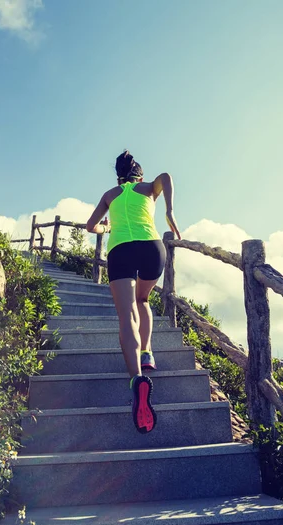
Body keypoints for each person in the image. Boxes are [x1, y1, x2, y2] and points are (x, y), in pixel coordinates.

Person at [86, 150, 182, 433]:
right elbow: (166, 176)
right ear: (139, 174)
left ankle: (136, 379)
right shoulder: (148, 188)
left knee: (126, 313)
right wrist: (169, 211)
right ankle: (148, 352)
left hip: (120, 250)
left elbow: (90, 226)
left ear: (118, 176)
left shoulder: (110, 194)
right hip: (151, 247)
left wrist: (107, 227)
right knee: (143, 299)